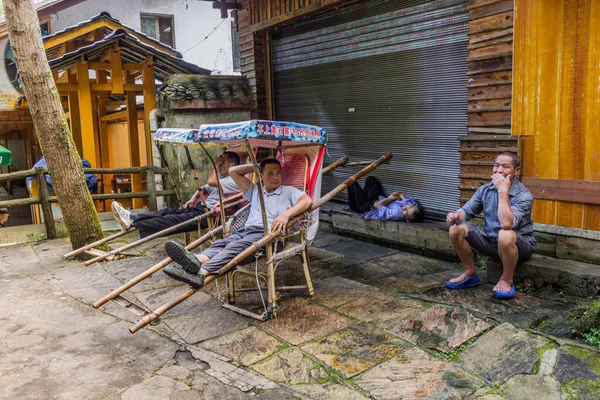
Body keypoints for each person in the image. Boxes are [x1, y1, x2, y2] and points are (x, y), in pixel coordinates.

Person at [162, 157, 313, 288]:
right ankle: (195, 260)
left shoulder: (288, 191)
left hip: (269, 236)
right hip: (246, 232)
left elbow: (307, 200)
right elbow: (233, 171)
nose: (276, 177)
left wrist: (286, 215)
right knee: (221, 243)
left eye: (278, 173)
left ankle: (202, 272)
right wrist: (257, 165)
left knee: (234, 247)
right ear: (260, 176)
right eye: (270, 173)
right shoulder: (255, 190)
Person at [445, 152, 536, 299]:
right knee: (456, 228)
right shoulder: (485, 190)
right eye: (496, 165)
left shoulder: (524, 195)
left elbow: (507, 224)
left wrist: (503, 191)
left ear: (516, 171)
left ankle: (506, 279)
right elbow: (467, 211)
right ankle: (470, 273)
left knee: (505, 234)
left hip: (520, 246)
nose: (499, 170)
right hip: (490, 242)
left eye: (505, 167)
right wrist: (455, 216)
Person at [111, 152, 242, 238]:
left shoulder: (235, 180)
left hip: (209, 215)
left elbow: (210, 182)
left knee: (170, 220)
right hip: (201, 208)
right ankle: (132, 216)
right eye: (219, 166)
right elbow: (203, 188)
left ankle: (135, 224)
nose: (219, 168)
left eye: (222, 165)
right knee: (168, 211)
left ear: (231, 165)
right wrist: (192, 199)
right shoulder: (223, 177)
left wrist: (216, 163)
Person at [347, 176, 424, 222]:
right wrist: (400, 195)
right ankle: (360, 198)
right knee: (371, 179)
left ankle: (353, 205)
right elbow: (406, 201)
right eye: (408, 207)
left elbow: (377, 205)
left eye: (405, 212)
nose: (405, 207)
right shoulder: (413, 206)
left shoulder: (395, 214)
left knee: (351, 182)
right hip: (377, 199)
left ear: (407, 219)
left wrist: (390, 198)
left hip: (369, 208)